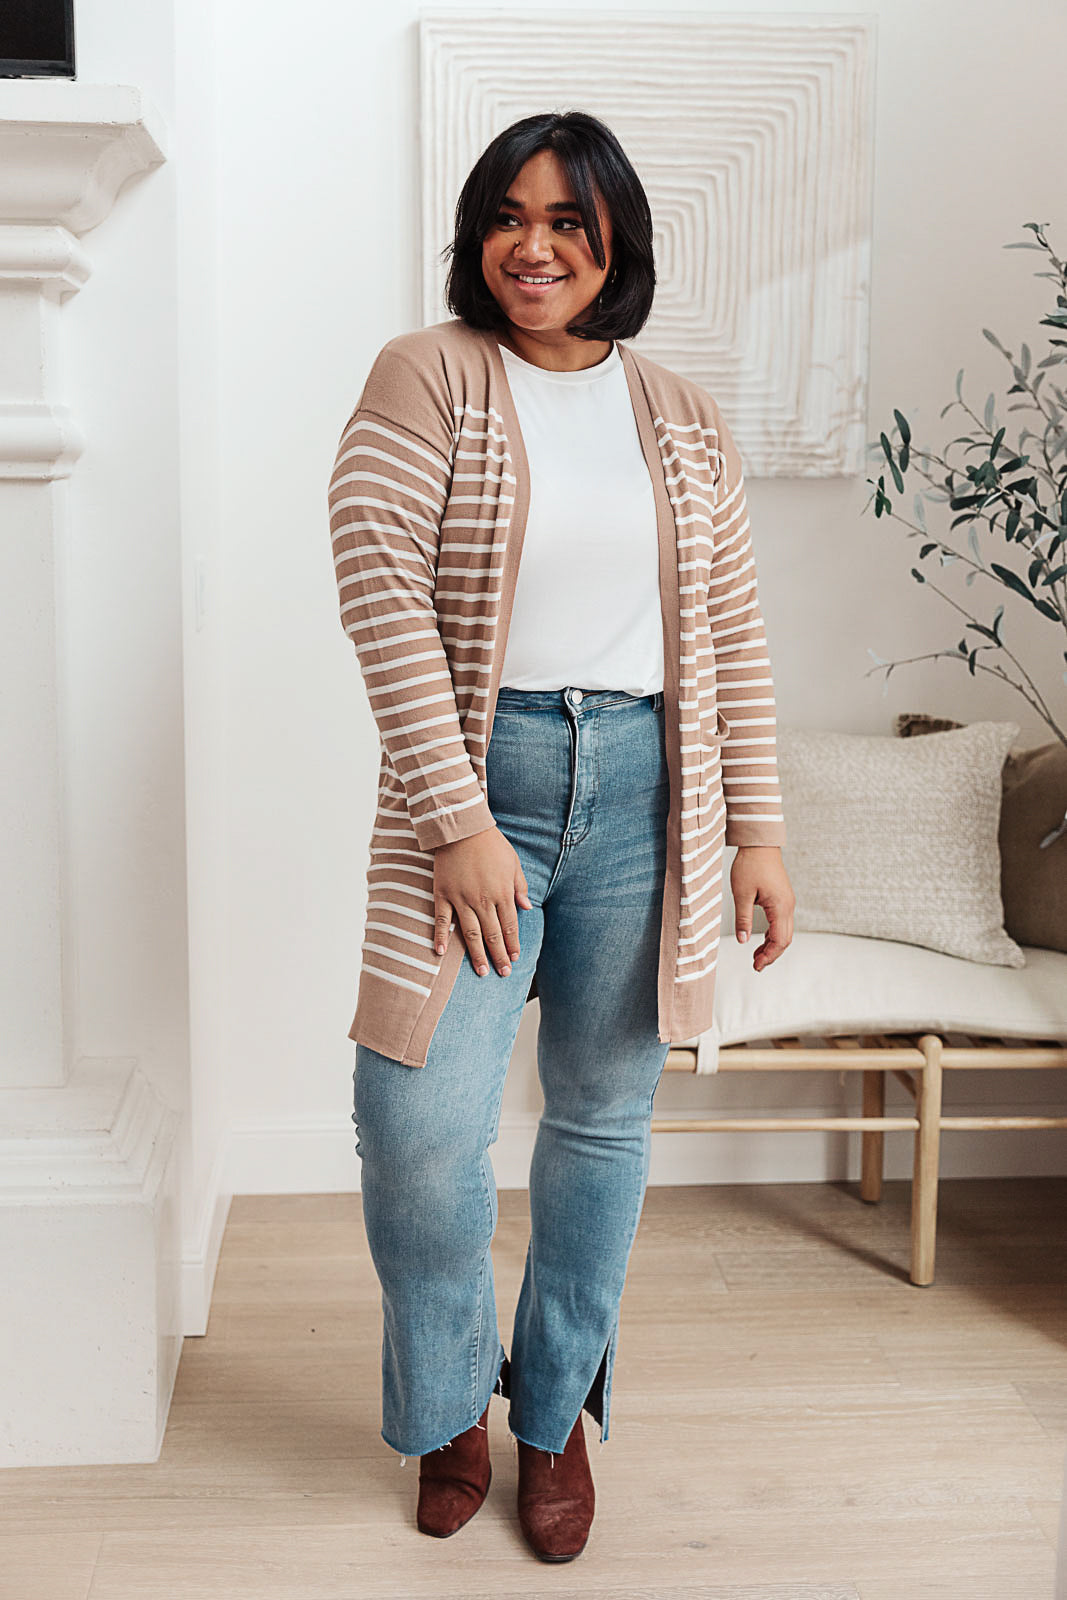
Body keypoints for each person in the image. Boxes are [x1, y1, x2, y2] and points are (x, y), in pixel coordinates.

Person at [327, 108, 795, 1562]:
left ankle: (553, 1420)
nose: (533, 248)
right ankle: (449, 1404)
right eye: (509, 217)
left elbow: (731, 631)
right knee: (419, 1127)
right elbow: (379, 589)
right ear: (478, 233)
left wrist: (760, 833)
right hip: (483, 787)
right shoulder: (427, 374)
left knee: (599, 1121)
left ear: (615, 246)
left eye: (568, 223)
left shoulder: (683, 414)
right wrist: (458, 819)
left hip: (651, 792)